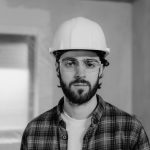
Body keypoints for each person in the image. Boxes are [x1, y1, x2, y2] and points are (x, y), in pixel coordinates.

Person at [20, 17, 150, 150]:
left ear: (101, 70)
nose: (80, 74)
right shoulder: (33, 132)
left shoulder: (131, 131)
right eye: (70, 63)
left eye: (89, 64)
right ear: (58, 68)